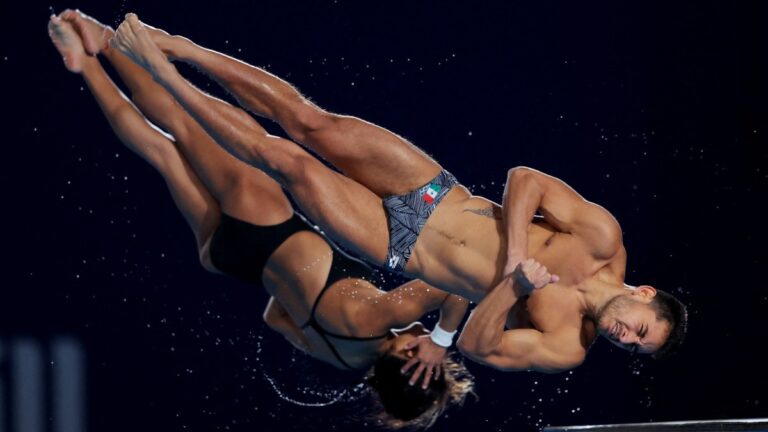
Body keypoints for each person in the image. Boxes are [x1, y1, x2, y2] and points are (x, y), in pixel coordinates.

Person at [110, 13, 687, 373]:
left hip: (398, 244)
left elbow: (482, 347)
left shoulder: (566, 343)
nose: (625, 338)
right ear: (643, 292)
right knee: (309, 122)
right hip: (435, 192)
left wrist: (509, 289)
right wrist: (513, 257)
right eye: (640, 328)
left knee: (281, 160)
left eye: (633, 347)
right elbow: (524, 178)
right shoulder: (601, 237)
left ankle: (165, 76)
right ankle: (182, 48)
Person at [49, 12, 474, 428]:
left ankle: (106, 40)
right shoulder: (343, 356)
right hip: (229, 257)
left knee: (184, 122)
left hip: (265, 221)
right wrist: (294, 282)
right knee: (162, 154)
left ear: (411, 360)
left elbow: (455, 286)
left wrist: (441, 340)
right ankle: (86, 64)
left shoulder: (380, 317)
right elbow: (275, 317)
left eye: (425, 351)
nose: (422, 333)